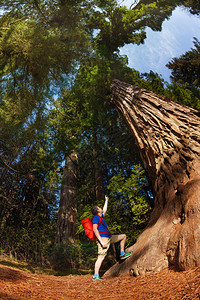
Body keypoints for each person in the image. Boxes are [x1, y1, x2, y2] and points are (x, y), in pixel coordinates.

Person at [91, 195, 132, 281]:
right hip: (103, 239)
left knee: (123, 236)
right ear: (97, 210)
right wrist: (102, 242)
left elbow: (104, 209)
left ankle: (122, 254)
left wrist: (106, 200)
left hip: (109, 237)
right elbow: (95, 229)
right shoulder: (96, 217)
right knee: (101, 257)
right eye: (99, 208)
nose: (101, 208)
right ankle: (96, 276)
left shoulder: (101, 217)